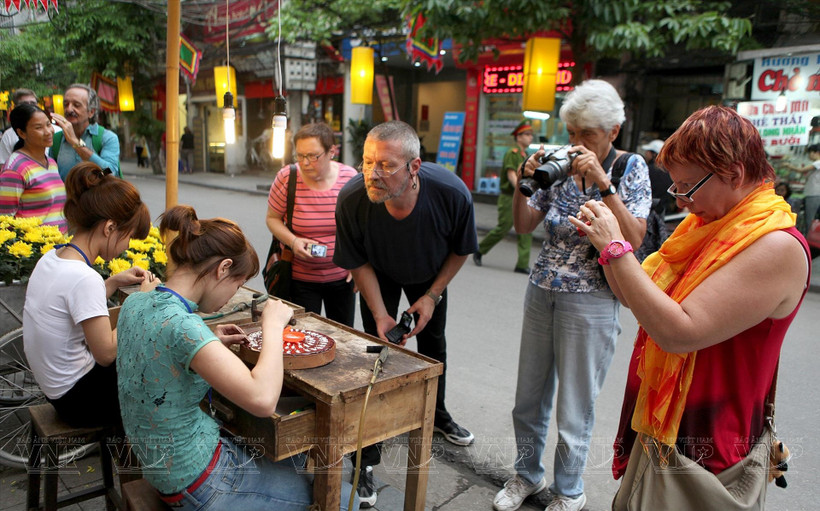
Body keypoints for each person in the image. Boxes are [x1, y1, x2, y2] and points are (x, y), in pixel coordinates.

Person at [568, 106, 810, 510]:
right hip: (667, 427)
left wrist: (615, 247)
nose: (681, 199)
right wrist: (605, 248)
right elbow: (638, 297)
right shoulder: (705, 223)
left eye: (687, 187)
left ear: (733, 173)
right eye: (675, 187)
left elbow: (678, 332)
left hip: (711, 445)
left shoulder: (776, 245)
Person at [116, 205, 358, 510]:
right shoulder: (184, 327)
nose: (232, 296)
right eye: (236, 283)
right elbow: (262, 400)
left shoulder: (135, 303)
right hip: (200, 483)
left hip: (164, 467)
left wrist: (210, 341)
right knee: (346, 495)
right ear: (222, 268)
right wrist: (272, 326)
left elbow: (161, 347)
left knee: (294, 455)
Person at [493, 79, 651, 511]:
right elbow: (525, 224)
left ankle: (569, 490)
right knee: (528, 397)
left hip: (594, 299)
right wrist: (523, 181)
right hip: (542, 289)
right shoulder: (559, 163)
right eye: (573, 134)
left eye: (589, 136)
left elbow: (634, 237)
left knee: (575, 407)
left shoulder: (629, 167)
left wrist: (603, 183)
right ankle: (526, 475)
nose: (577, 145)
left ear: (613, 132)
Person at [334, 120, 478, 507]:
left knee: (433, 348)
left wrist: (432, 295)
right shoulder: (352, 198)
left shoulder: (451, 194)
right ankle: (366, 456)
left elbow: (461, 249)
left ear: (414, 167)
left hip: (428, 274)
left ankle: (438, 415)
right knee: (376, 356)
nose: (373, 174)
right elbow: (358, 261)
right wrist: (381, 314)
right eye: (367, 162)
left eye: (385, 165)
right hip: (377, 274)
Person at [22, 161, 155, 428]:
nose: (127, 245)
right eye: (127, 236)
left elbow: (75, 306)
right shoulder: (84, 278)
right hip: (80, 401)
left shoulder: (52, 258)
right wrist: (140, 302)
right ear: (109, 228)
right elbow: (106, 353)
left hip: (57, 390)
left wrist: (113, 282)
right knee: (161, 368)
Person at [266, 122, 357, 326]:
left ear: (331, 151)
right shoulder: (287, 177)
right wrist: (294, 241)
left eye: (313, 156)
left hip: (342, 279)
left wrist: (358, 265)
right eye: (300, 155)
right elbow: (272, 218)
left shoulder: (350, 179)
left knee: (342, 336)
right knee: (304, 337)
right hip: (299, 280)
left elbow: (361, 228)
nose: (305, 162)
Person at [473, 120, 534, 273]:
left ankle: (522, 264)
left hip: (522, 197)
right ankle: (479, 250)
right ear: (518, 137)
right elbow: (512, 175)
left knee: (526, 229)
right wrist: (522, 192)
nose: (530, 137)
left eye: (531, 135)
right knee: (503, 228)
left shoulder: (525, 155)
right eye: (526, 134)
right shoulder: (512, 153)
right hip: (509, 197)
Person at [0, 104, 67, 232]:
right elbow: (4, 220)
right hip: (36, 249)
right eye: (38, 127)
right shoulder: (15, 169)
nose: (48, 131)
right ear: (21, 133)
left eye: (48, 124)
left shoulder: (51, 163)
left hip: (58, 247)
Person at [50, 84, 120, 180]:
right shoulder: (56, 139)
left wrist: (76, 143)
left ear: (91, 112)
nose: (69, 109)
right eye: (66, 104)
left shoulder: (107, 137)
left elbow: (109, 173)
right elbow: (51, 178)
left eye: (76, 105)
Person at [785, 143, 820, 231]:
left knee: (810, 218)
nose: (809, 156)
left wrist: (789, 166)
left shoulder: (817, 163)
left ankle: (809, 239)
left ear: (815, 152)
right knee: (811, 217)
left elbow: (801, 170)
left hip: (814, 194)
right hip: (813, 193)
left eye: (809, 153)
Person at [0, 89, 38, 166]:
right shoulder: (8, 135)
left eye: (33, 103)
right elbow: (3, 166)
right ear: (16, 107)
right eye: (24, 104)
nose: (29, 106)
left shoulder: (53, 130)